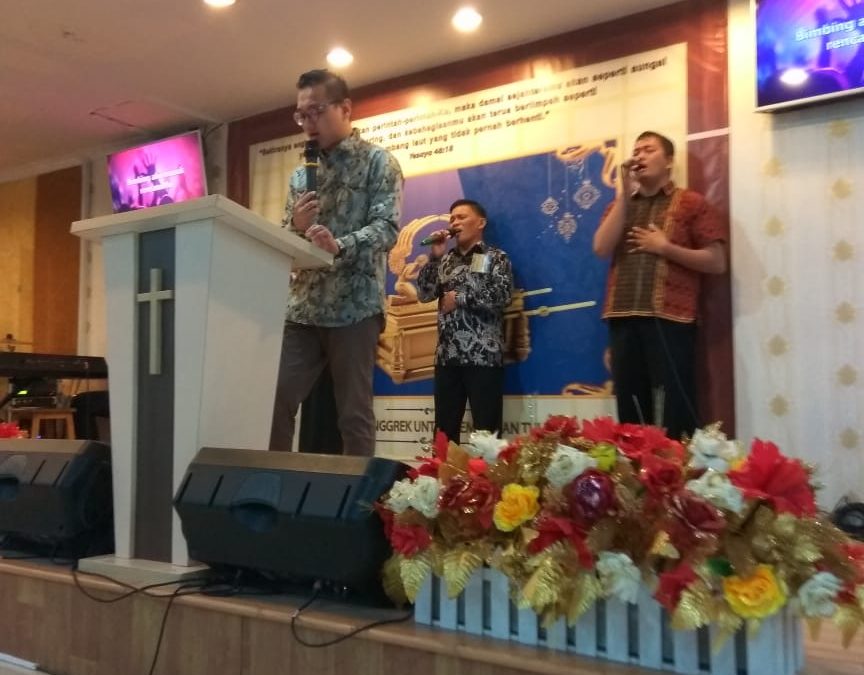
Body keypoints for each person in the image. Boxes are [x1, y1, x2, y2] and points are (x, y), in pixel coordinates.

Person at [269, 69, 403, 456]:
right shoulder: (300, 175)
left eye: (316, 111)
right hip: (304, 308)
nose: (307, 123)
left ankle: (356, 493)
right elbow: (287, 241)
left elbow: (387, 228)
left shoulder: (379, 162)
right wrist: (295, 227)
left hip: (354, 308)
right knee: (274, 398)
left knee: (353, 414)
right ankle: (272, 485)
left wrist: (339, 245)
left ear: (345, 108)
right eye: (301, 115)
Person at [592, 131, 726, 441]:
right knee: (631, 408)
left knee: (674, 407)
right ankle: (635, 469)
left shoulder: (690, 202)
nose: (639, 155)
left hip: (671, 320)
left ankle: (676, 467)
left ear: (668, 161)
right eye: (636, 150)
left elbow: (717, 261)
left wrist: (665, 248)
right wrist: (625, 194)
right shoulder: (619, 206)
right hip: (622, 317)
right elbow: (600, 247)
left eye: (648, 150)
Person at [417, 199, 513, 444]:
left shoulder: (495, 256)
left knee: (487, 433)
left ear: (480, 223)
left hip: (483, 356)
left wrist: (459, 298)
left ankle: (487, 471)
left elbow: (502, 296)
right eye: (452, 218)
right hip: (447, 357)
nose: (455, 222)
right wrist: (435, 257)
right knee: (444, 434)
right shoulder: (445, 260)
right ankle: (443, 470)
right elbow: (424, 294)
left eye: (461, 217)